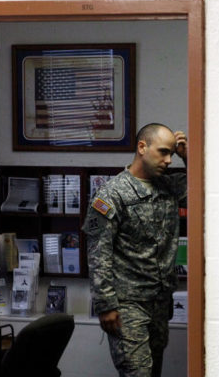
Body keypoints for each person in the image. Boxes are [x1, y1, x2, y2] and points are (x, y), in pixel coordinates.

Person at [83, 123, 187, 377]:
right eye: (163, 152)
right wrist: (105, 305)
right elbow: (99, 252)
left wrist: (189, 158)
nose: (168, 160)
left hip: (160, 302)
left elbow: (207, 190)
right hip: (127, 304)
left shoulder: (169, 186)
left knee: (153, 371)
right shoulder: (112, 193)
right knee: (137, 372)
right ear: (142, 147)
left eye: (172, 154)